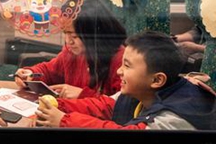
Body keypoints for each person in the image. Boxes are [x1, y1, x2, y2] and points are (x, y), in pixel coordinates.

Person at [36, 31, 215, 130]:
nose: (119, 71)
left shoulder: (174, 118)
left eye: (127, 66)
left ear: (157, 80)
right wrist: (60, 106)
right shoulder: (141, 91)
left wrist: (64, 120)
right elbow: (106, 105)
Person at [15, 0, 126, 99]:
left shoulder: (121, 60)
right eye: (65, 33)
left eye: (74, 36)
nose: (68, 42)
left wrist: (82, 95)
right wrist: (31, 74)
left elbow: (121, 106)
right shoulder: (71, 52)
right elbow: (49, 71)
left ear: (94, 33)